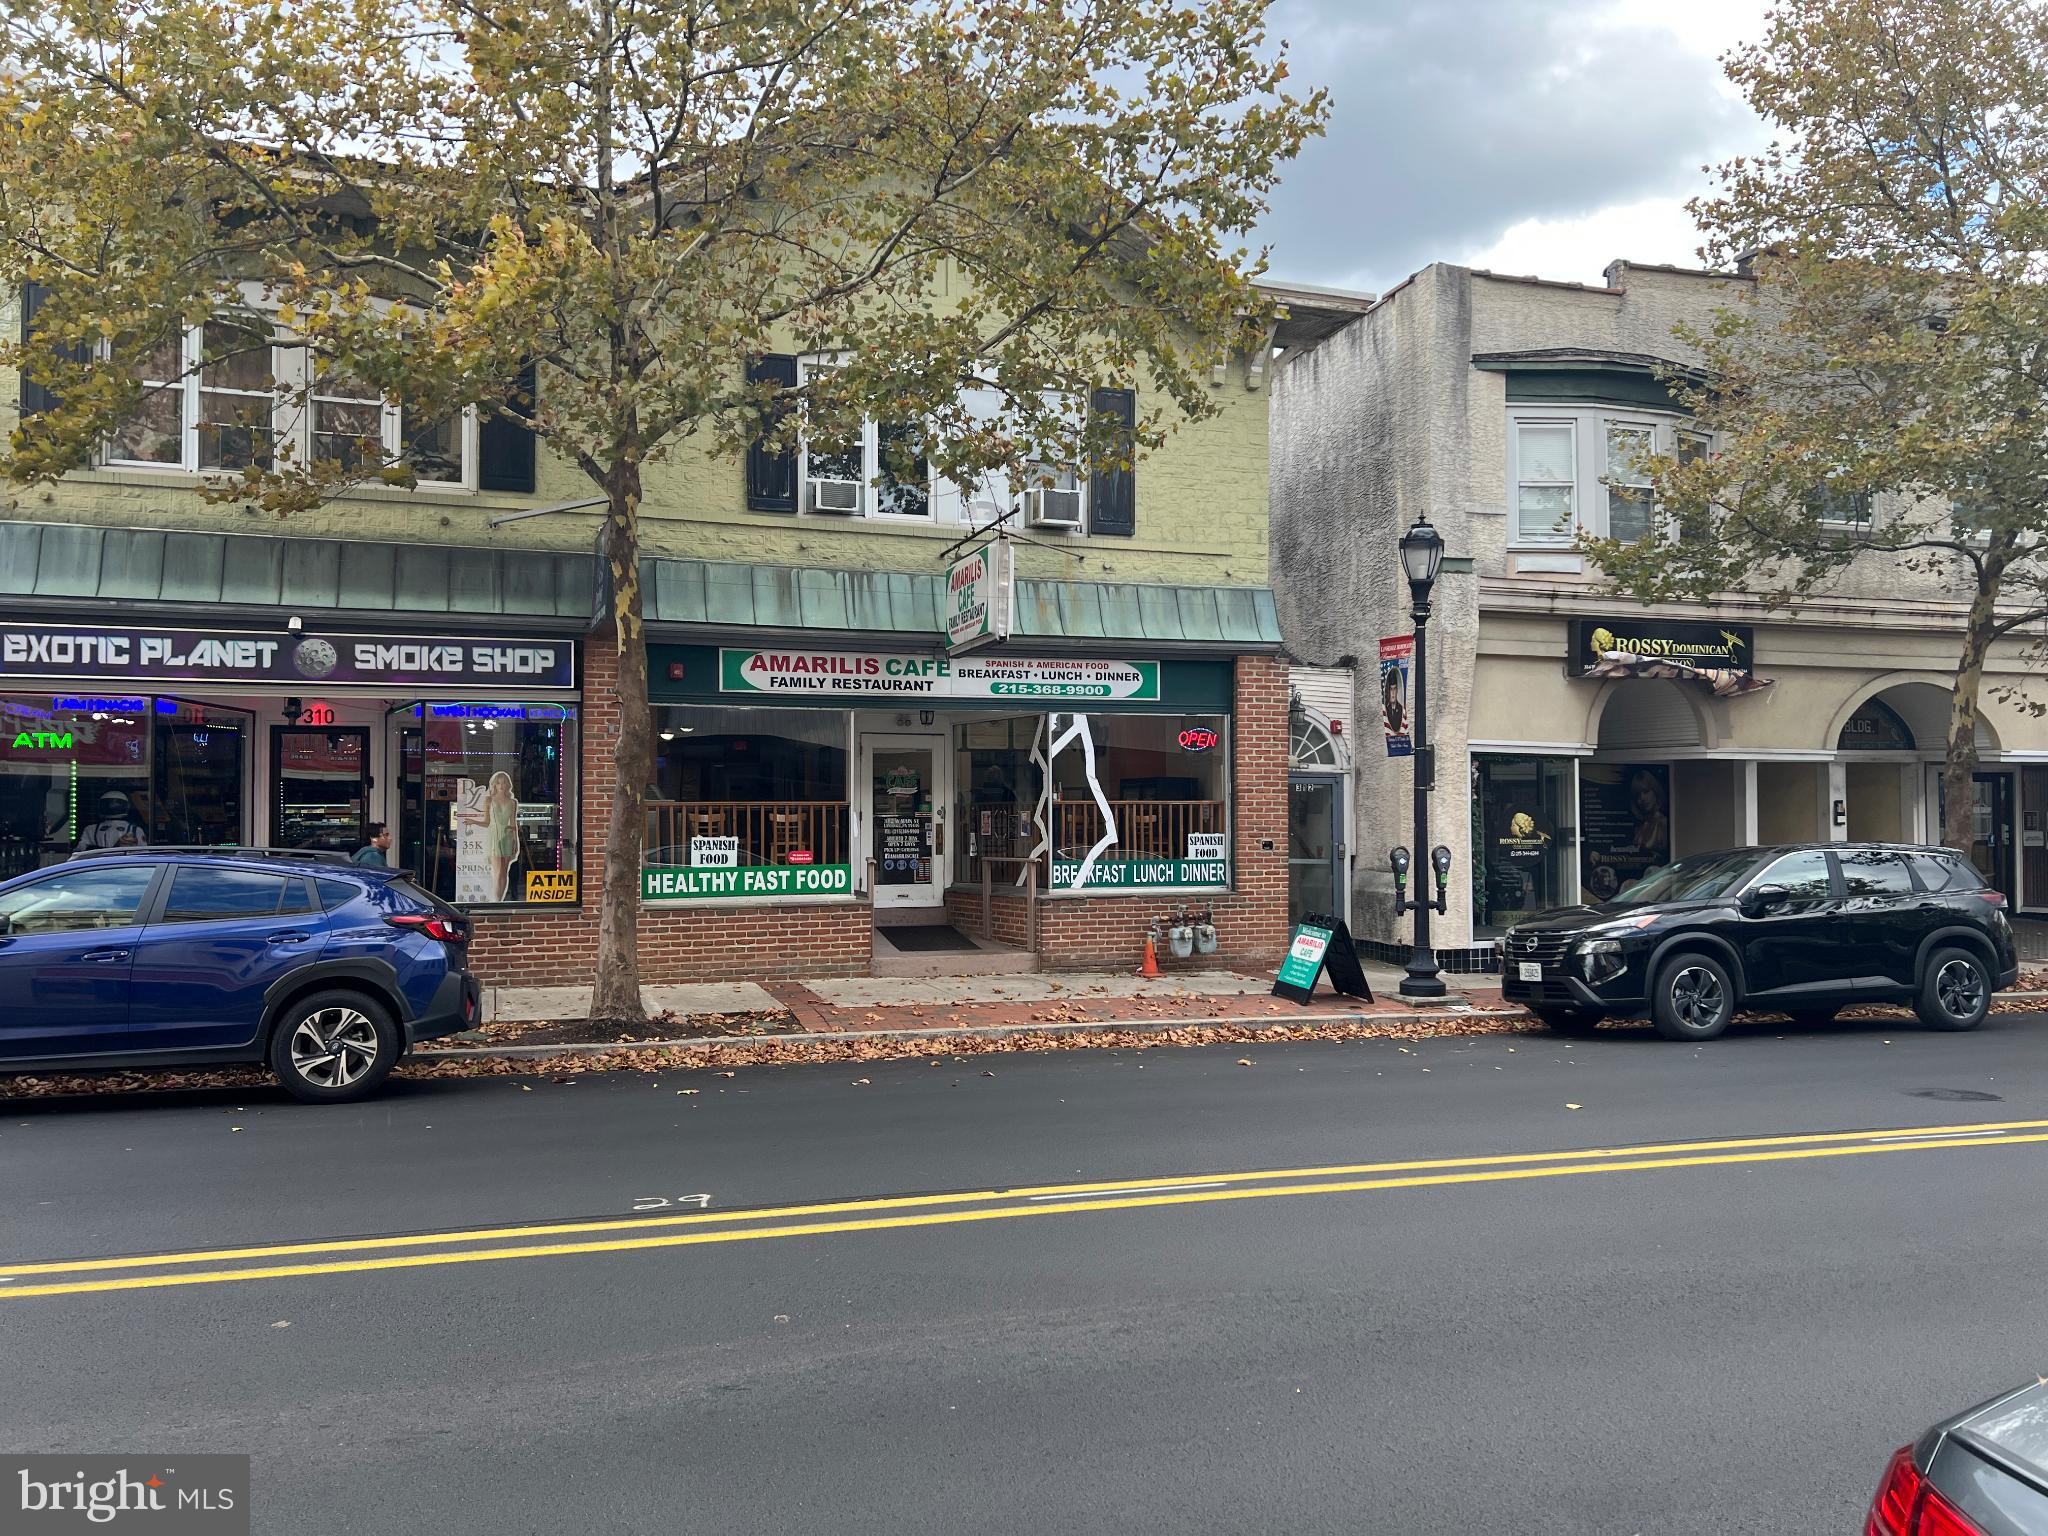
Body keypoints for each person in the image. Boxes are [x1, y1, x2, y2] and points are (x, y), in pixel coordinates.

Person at [76, 789, 148, 850]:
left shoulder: (90, 829)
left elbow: (80, 851)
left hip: (97, 864)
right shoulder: (135, 830)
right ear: (126, 806)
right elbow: (143, 854)